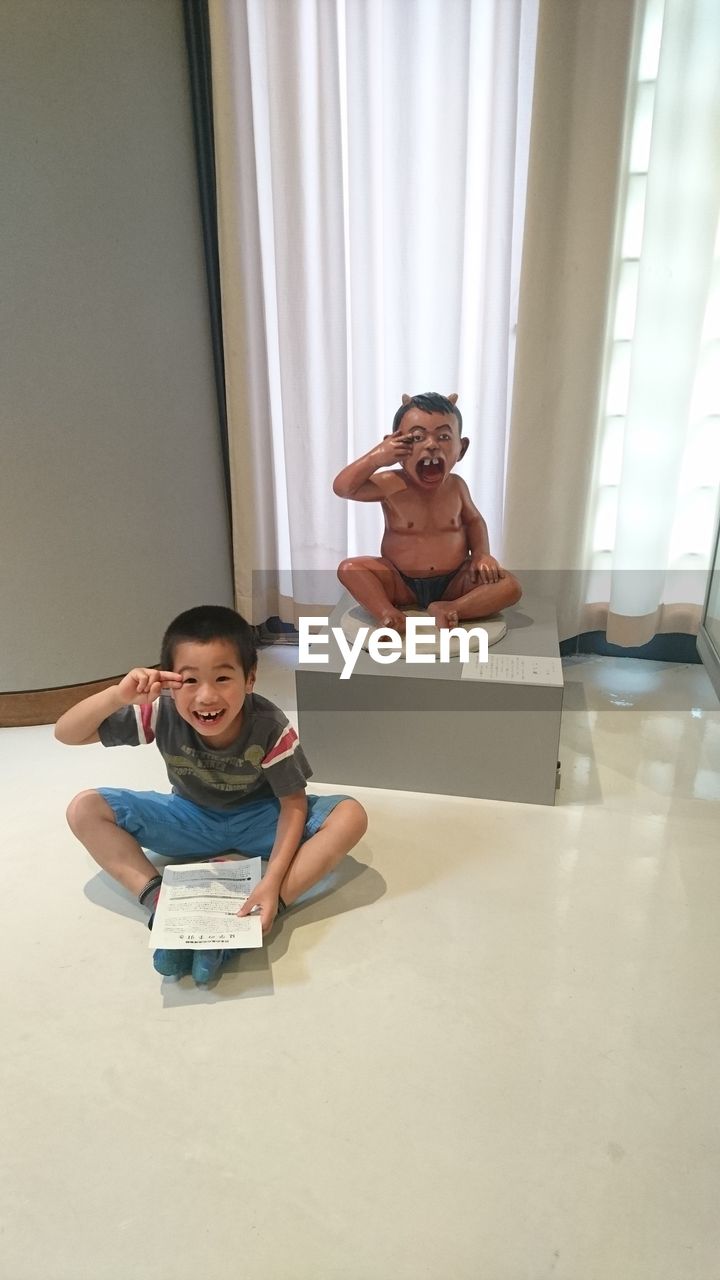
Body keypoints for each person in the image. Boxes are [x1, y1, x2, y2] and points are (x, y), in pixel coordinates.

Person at [56, 605, 368, 984]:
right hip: (189, 817)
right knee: (84, 808)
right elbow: (67, 733)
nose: (206, 696)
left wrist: (272, 883)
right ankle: (160, 904)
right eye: (189, 681)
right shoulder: (161, 712)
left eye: (223, 678)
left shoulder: (270, 727)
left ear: (250, 679)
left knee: (351, 815)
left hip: (259, 820)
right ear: (170, 682)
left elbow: (293, 803)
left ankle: (264, 911)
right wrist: (116, 696)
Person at [333, 391, 521, 632]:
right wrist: (377, 457)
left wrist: (482, 555)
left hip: (454, 580)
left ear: (461, 448)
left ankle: (452, 608)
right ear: (395, 446)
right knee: (350, 569)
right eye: (417, 437)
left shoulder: (456, 487)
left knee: (510, 586)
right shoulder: (390, 484)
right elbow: (343, 488)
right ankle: (388, 613)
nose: (431, 445)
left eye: (443, 436)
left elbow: (474, 521)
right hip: (400, 581)